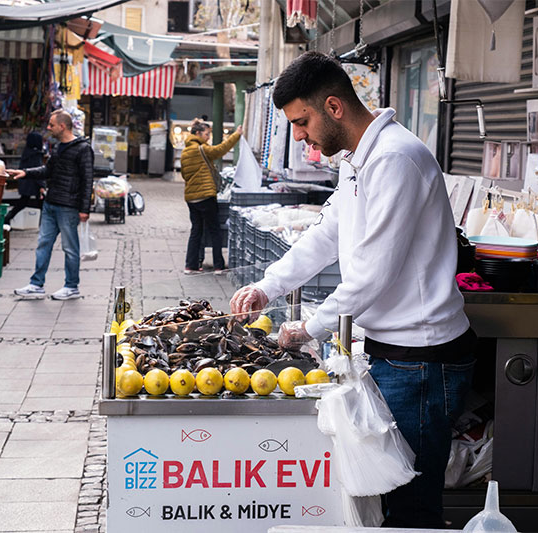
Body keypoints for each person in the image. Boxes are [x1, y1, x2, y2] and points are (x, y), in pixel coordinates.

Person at [229, 51, 476, 529]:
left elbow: (372, 274)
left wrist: (308, 328)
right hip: (392, 354)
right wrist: (268, 286)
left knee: (410, 505)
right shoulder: (357, 161)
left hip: (421, 360)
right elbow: (324, 236)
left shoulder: (395, 159)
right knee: (386, 500)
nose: (299, 136)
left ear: (334, 107)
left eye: (302, 122)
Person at [8, 110, 93, 300]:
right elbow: (48, 170)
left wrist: (84, 209)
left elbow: (88, 179)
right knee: (43, 244)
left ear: (62, 126)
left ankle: (71, 286)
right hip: (50, 203)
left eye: (51, 124)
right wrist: (25, 173)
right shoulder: (58, 147)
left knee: (70, 248)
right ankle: (36, 284)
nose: (48, 128)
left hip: (69, 205)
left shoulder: (82, 149)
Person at [180, 118, 242, 274]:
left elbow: (184, 174)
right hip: (206, 196)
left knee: (196, 230)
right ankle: (218, 266)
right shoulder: (201, 149)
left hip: (191, 198)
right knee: (215, 230)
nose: (208, 137)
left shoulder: (185, 151)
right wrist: (236, 135)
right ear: (198, 133)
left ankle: (191, 265)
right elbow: (220, 150)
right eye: (206, 134)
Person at [5, 132, 46, 226]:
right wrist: (42, 185)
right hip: (33, 182)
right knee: (41, 204)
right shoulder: (36, 154)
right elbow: (38, 170)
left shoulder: (27, 152)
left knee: (23, 201)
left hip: (26, 181)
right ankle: (43, 225)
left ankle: (8, 217)